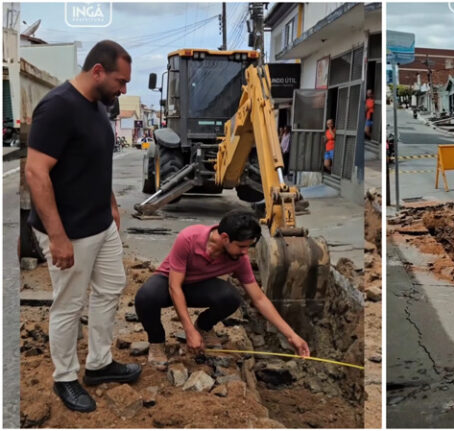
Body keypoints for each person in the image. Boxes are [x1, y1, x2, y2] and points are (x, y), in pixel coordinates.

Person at [25, 40, 138, 413]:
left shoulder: (97, 107)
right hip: (69, 229)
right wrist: (57, 237)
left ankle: (100, 364)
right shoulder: (58, 107)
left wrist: (109, 202)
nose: (123, 90)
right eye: (120, 81)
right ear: (98, 71)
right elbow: (36, 172)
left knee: (111, 289)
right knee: (69, 304)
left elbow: (93, 160)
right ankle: (65, 378)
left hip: (100, 223)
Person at [134, 209, 310, 370]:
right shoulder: (188, 238)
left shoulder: (240, 259)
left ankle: (204, 326)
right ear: (225, 238)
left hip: (199, 287)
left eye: (249, 246)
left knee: (230, 297)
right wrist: (188, 331)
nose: (245, 252)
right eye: (242, 246)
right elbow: (174, 286)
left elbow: (259, 299)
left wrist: (291, 335)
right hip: (169, 283)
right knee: (146, 297)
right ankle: (156, 342)